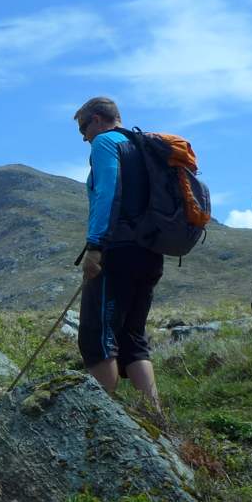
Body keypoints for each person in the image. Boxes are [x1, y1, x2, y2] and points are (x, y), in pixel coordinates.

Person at [73, 96, 163, 410]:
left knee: (96, 337)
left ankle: (103, 419)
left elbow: (108, 192)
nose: (84, 137)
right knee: (131, 336)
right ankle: (155, 417)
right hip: (152, 251)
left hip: (118, 251)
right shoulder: (145, 145)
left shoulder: (105, 144)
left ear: (98, 119)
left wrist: (96, 247)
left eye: (84, 128)